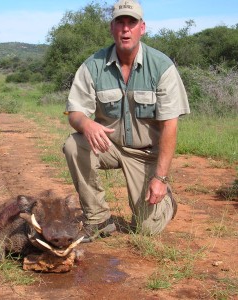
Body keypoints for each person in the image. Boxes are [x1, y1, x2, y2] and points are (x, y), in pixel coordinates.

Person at [63, 0, 190, 243]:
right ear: (112, 27)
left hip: (147, 154)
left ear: (142, 28)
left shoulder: (162, 67)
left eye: (131, 23)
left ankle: (167, 202)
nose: (125, 29)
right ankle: (98, 219)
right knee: (73, 144)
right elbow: (75, 112)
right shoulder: (93, 66)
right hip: (109, 146)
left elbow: (169, 126)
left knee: (146, 229)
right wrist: (86, 124)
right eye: (120, 22)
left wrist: (160, 178)